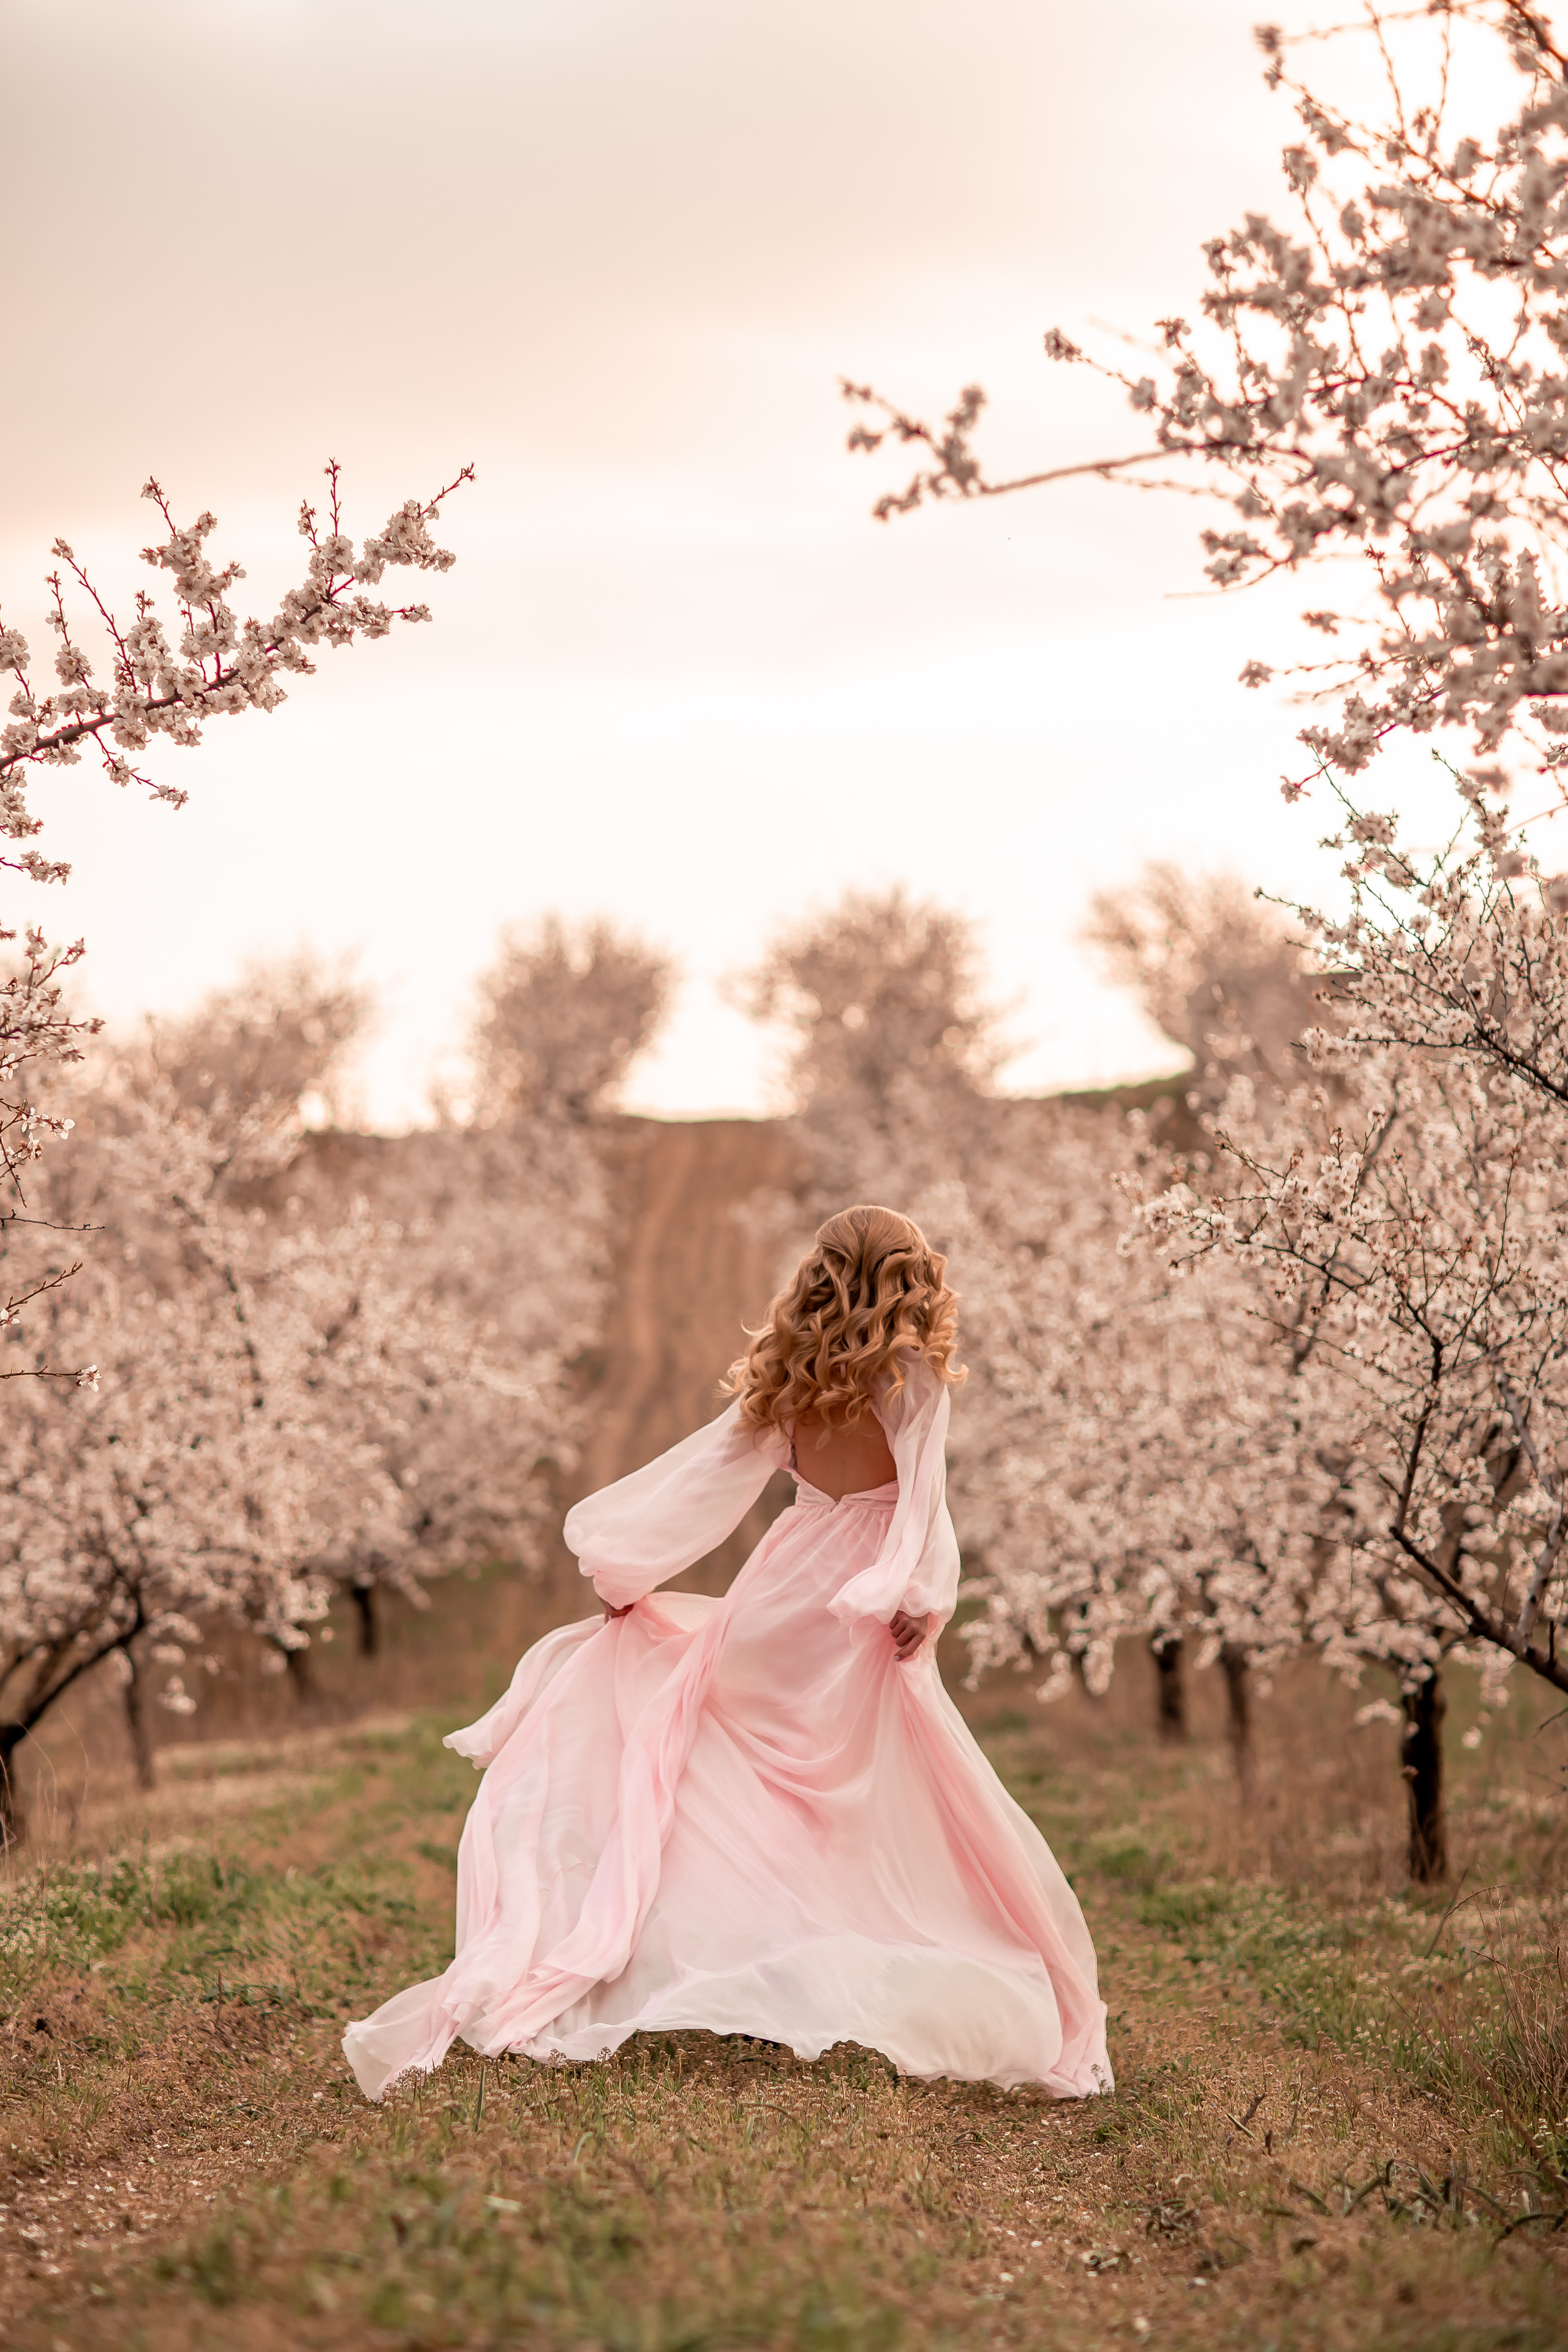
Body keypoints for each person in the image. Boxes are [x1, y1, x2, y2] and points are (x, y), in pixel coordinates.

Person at [342, 1205, 1110, 2100]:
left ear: (819, 1276)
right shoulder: (912, 1380)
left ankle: (760, 1956)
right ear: (911, 1278)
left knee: (741, 1779)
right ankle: (808, 1961)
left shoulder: (790, 1379)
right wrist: (916, 1593)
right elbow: (923, 1505)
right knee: (857, 1790)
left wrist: (628, 1565)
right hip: (853, 1604)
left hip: (780, 1595)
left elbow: (704, 1485)